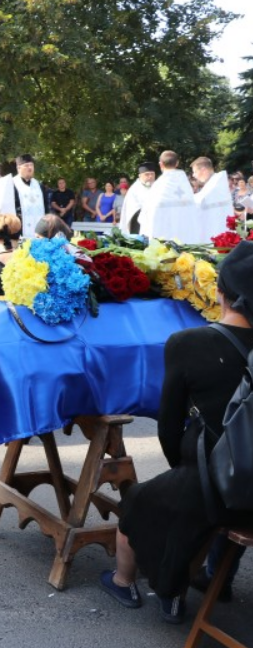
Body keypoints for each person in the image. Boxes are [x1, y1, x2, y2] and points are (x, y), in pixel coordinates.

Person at [101, 241, 253, 623]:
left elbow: (168, 425)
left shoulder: (188, 342)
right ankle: (207, 580)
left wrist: (184, 470)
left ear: (221, 292)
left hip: (215, 483)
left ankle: (125, 581)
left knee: (138, 501)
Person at [138, 150, 202, 244]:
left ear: (161, 164)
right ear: (177, 163)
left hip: (162, 241)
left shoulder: (157, 187)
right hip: (185, 240)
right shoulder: (185, 185)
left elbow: (144, 217)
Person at [192, 156, 232, 242]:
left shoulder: (216, 183)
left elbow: (199, 200)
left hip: (216, 229)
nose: (193, 175)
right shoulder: (213, 183)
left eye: (195, 172)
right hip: (215, 227)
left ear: (203, 170)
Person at [119, 162, 157, 234]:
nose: (150, 177)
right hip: (137, 225)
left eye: (152, 174)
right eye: (147, 174)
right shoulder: (134, 190)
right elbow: (131, 210)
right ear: (140, 176)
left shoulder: (158, 187)